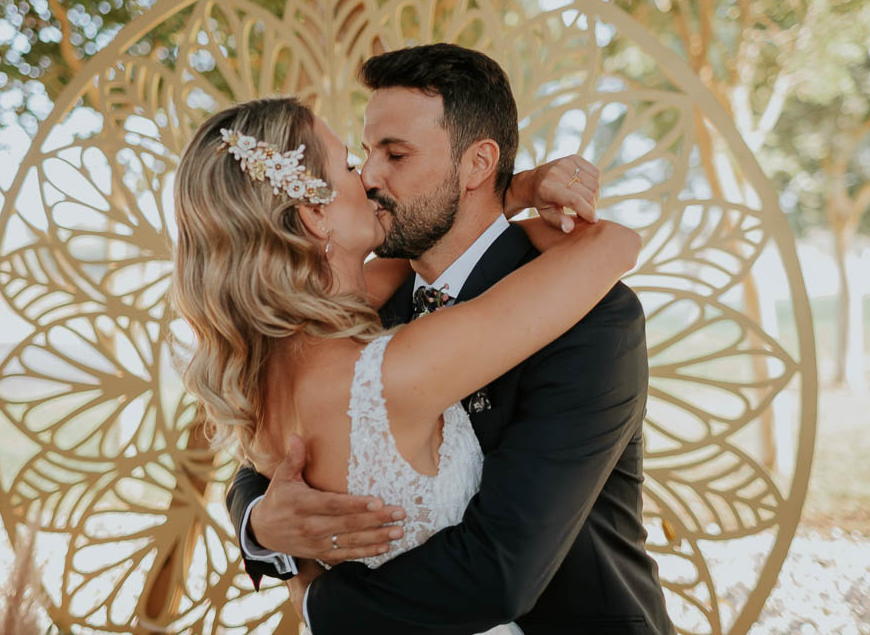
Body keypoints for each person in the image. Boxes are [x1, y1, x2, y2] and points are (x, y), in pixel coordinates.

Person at [211, 44, 674, 634]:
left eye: (395, 154)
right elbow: (272, 451)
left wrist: (315, 605)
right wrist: (258, 524)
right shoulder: (366, 305)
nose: (371, 177)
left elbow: (503, 570)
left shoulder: (592, 316)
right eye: (364, 153)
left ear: (478, 164)